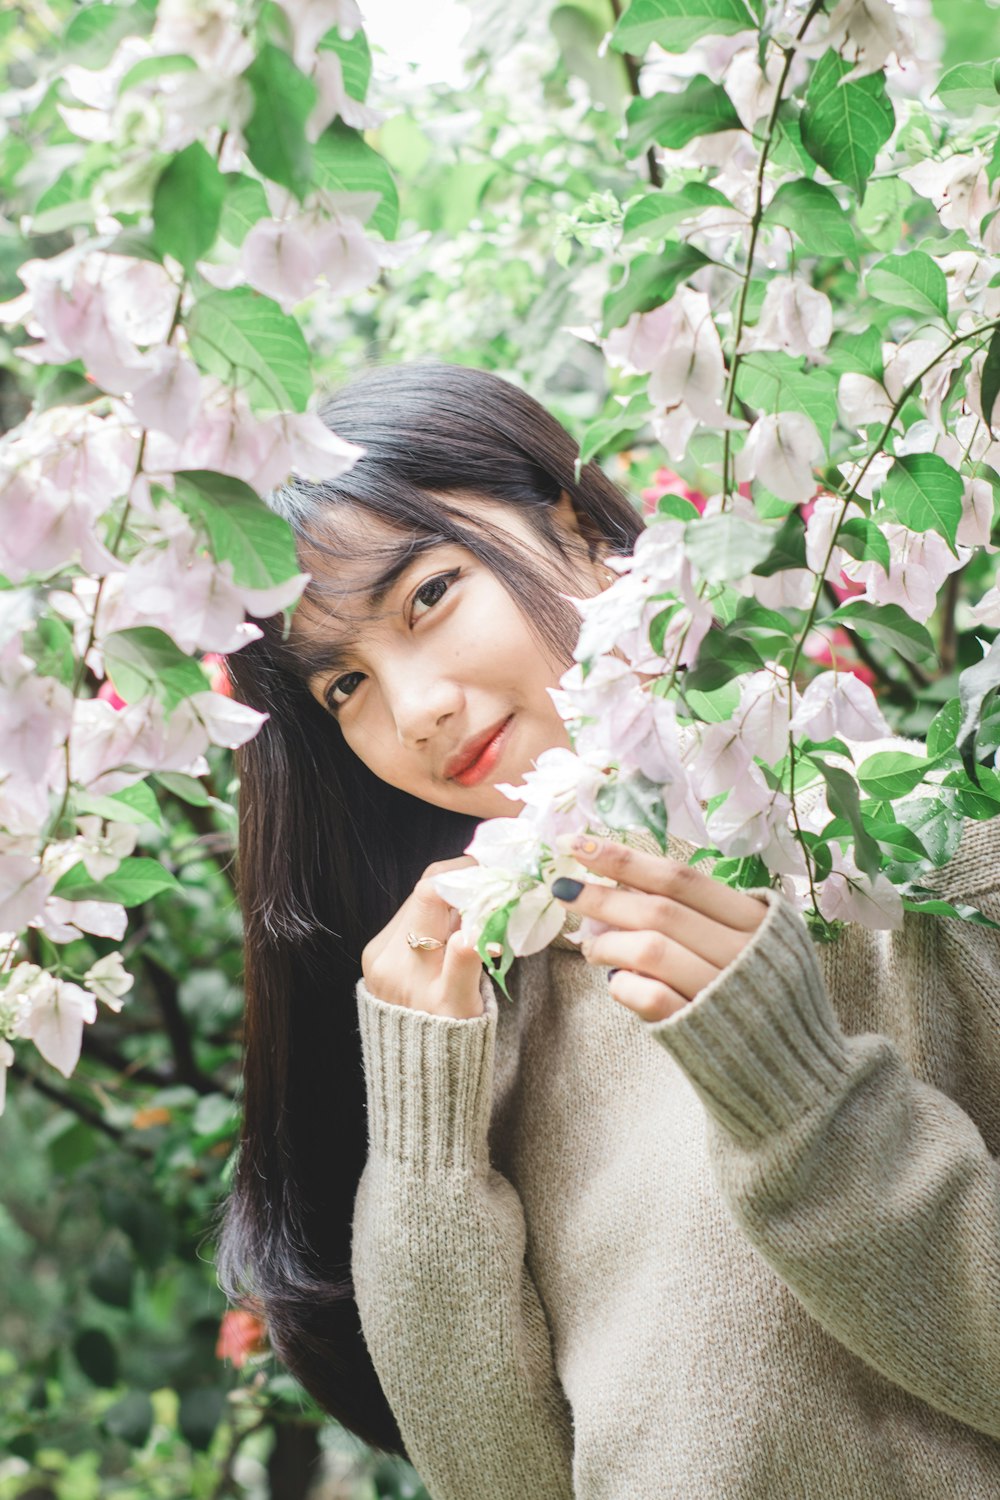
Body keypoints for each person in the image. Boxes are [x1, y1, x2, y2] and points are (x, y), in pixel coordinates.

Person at [217, 362, 1000, 1498]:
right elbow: (506, 1485)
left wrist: (798, 1096)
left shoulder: (919, 850)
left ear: (578, 527)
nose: (414, 709)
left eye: (427, 595)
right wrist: (425, 1139)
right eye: (342, 686)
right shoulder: (482, 1022)